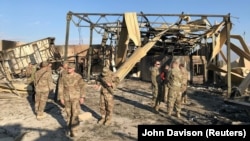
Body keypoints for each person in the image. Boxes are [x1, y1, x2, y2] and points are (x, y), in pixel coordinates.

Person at [58, 62, 86, 137]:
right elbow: (60, 87)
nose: (68, 69)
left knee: (75, 113)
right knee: (68, 114)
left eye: (70, 68)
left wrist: (82, 97)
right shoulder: (63, 77)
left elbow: (82, 87)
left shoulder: (78, 76)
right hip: (66, 98)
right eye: (67, 68)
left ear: (73, 69)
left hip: (75, 98)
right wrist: (61, 98)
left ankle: (74, 130)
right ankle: (69, 127)